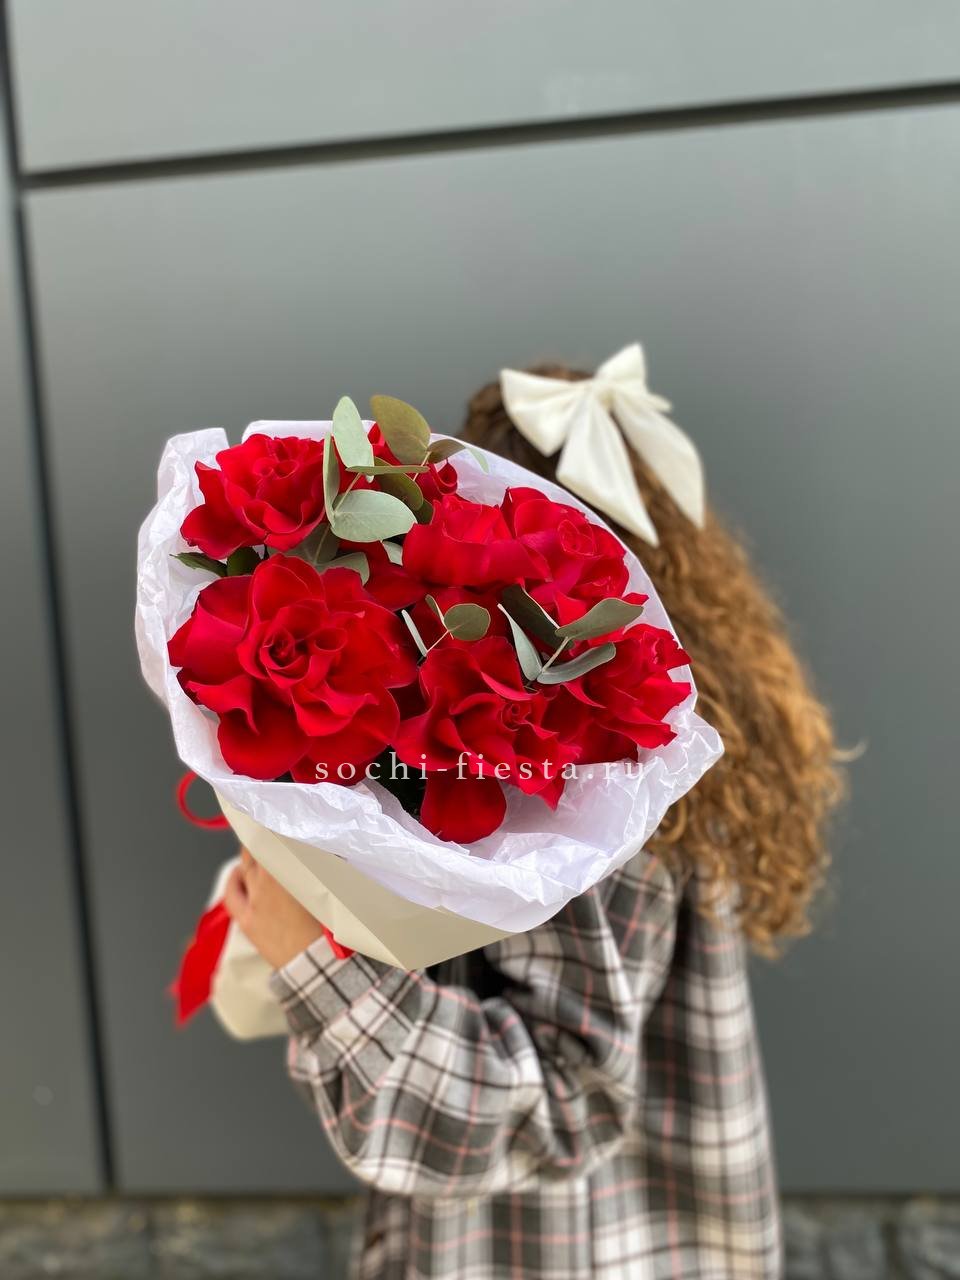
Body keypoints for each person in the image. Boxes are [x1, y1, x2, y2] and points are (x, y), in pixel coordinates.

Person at [223, 364, 843, 1279]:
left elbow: (564, 1101)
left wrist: (318, 965)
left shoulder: (584, 793)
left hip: (562, 1249)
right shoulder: (665, 725)